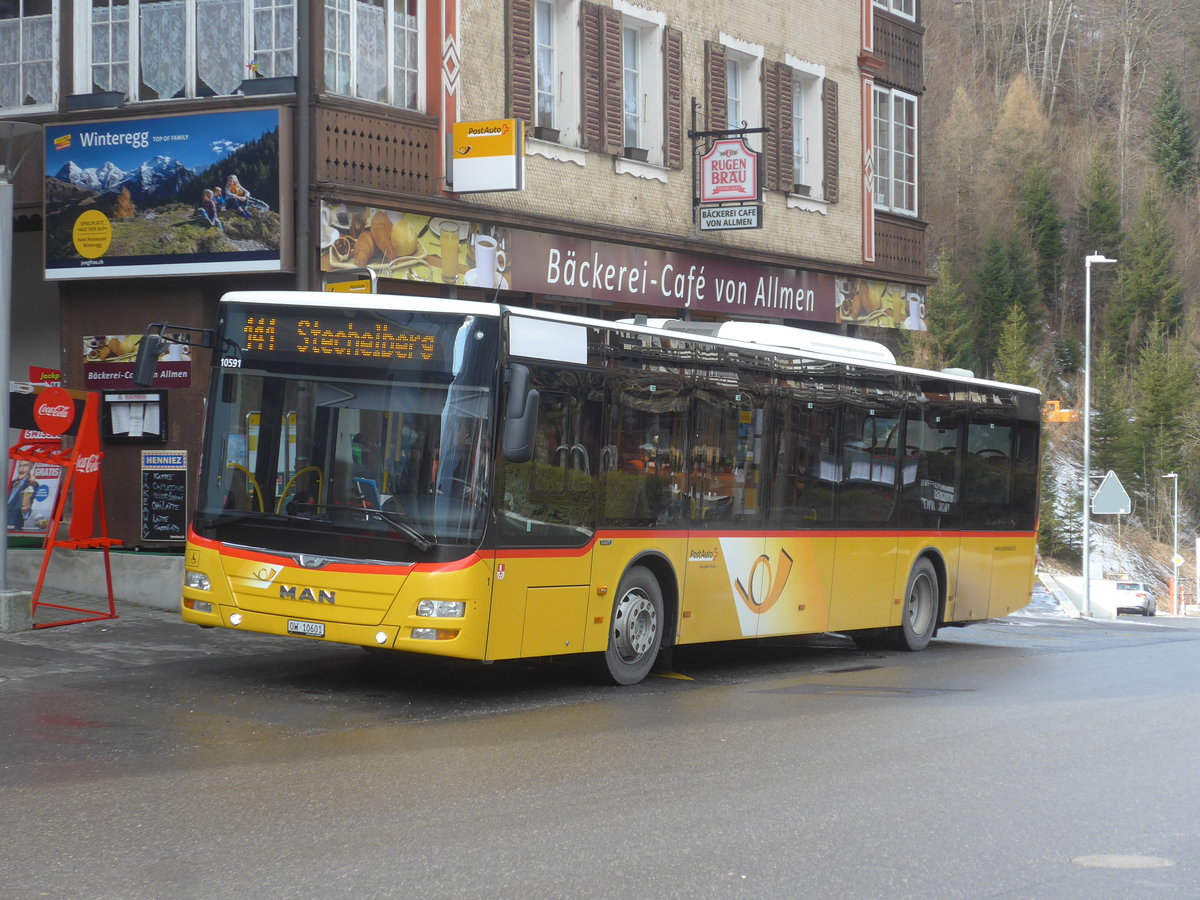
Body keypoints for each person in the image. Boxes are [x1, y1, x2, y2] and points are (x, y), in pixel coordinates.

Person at [7, 460, 38, 531]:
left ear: (31, 467)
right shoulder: (12, 483)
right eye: (20, 465)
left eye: (25, 465)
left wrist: (25, 509)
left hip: (14, 525)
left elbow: (26, 505)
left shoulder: (32, 484)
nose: (21, 469)